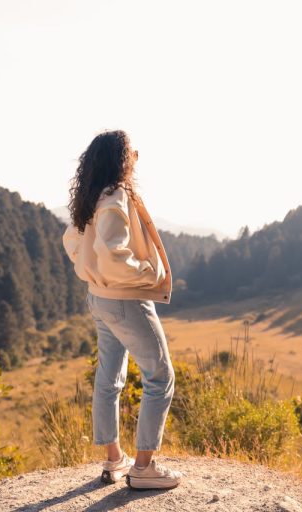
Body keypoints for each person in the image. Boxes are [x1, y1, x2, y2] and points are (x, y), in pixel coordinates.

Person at [62, 130, 182, 490]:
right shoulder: (115, 197)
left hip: (98, 298)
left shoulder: (91, 196)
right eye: (131, 153)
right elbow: (114, 254)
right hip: (125, 299)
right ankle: (144, 468)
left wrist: (93, 270)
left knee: (109, 379)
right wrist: (146, 273)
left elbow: (72, 241)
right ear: (121, 160)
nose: (135, 159)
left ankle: (115, 460)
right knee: (160, 377)